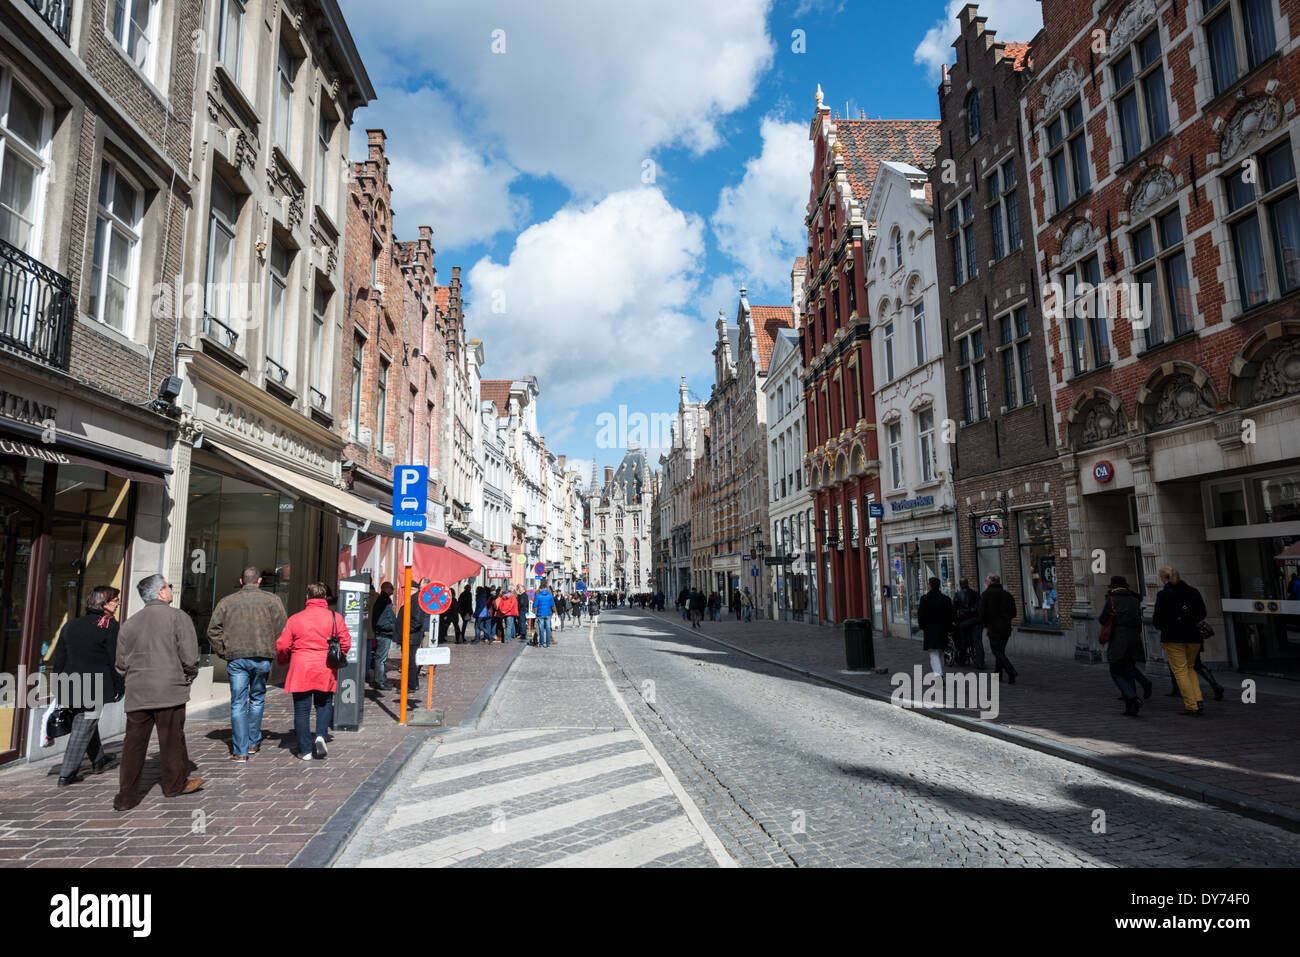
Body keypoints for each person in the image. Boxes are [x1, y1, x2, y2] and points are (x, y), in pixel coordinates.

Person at [113, 574, 203, 811]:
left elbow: (120, 664)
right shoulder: (177, 617)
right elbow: (190, 656)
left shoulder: (129, 623)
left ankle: (126, 796)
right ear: (160, 592)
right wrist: (187, 676)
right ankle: (174, 785)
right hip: (168, 689)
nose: (171, 589)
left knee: (133, 744)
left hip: (138, 691)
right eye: (169, 586)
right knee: (172, 739)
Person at [206, 566, 287, 761]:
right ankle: (252, 743)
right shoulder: (272, 600)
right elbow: (283, 629)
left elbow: (212, 631)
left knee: (238, 703)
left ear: (241, 581)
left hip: (237, 657)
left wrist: (224, 651)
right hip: (262, 656)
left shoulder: (227, 602)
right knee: (257, 699)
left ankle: (240, 750)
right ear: (259, 581)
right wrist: (271, 647)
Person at [51, 586, 124, 786]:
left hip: (69, 682)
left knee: (86, 722)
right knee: (84, 724)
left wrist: (57, 684)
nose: (117, 603)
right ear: (104, 603)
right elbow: (114, 659)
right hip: (93, 685)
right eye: (114, 600)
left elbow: (60, 658)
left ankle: (98, 760)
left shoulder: (71, 625)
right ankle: (67, 773)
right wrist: (120, 685)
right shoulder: (109, 626)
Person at [277, 581, 352, 760]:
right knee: (324, 703)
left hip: (301, 666)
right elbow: (346, 642)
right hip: (325, 667)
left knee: (302, 710)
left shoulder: (295, 618)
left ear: (307, 597)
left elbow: (282, 644)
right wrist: (338, 655)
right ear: (325, 597)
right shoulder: (335, 617)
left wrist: (282, 661)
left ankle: (305, 750)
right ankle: (320, 735)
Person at [1152, 566, 1208, 716]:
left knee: (1180, 670)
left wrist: (1167, 625)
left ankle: (1191, 705)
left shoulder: (1164, 595)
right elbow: (1202, 613)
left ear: (1164, 578)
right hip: (1194, 636)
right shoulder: (1193, 591)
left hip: (1173, 636)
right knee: (1190, 667)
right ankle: (1198, 699)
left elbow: (1157, 619)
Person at [1098, 575, 1151, 717]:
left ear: (1113, 587)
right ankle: (1131, 707)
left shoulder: (1112, 599)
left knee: (1115, 670)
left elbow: (1102, 619)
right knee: (1128, 670)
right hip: (1134, 637)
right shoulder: (1135, 600)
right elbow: (1138, 619)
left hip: (1118, 638)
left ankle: (1132, 698)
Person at [978, 573, 1018, 683]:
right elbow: (1014, 612)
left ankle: (1011, 671)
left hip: (994, 627)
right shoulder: (1007, 595)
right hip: (1006, 628)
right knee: (1000, 651)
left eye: (986, 581)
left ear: (990, 582)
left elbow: (981, 613)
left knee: (997, 652)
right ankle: (998, 674)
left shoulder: (985, 595)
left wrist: (986, 623)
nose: (986, 583)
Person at [917, 577, 955, 676]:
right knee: (940, 653)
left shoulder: (924, 599)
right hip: (943, 630)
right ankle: (940, 673)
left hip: (930, 630)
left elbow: (921, 615)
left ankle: (939, 676)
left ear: (929, 586)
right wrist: (949, 627)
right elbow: (951, 615)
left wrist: (922, 627)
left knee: (933, 654)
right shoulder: (946, 599)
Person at [370, 581, 396, 689]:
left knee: (381, 658)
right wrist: (391, 627)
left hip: (385, 633)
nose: (393, 591)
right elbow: (381, 620)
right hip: (384, 633)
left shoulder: (384, 600)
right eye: (391, 588)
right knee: (381, 659)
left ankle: (382, 680)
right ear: (386, 589)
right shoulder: (383, 601)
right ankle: (379, 681)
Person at [952, 577, 984, 669]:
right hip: (977, 620)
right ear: (968, 583)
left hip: (964, 621)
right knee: (978, 642)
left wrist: (955, 620)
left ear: (960, 585)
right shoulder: (975, 594)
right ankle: (980, 662)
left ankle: (962, 659)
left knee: (963, 641)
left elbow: (954, 610)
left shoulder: (957, 595)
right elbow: (979, 607)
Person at [535, 580, 555, 648]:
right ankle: (548, 644)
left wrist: (535, 611)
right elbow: (552, 604)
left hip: (540, 614)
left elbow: (535, 605)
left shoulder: (538, 595)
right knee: (548, 628)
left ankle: (541, 643)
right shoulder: (550, 595)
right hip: (548, 614)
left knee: (541, 629)